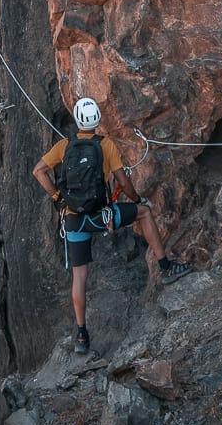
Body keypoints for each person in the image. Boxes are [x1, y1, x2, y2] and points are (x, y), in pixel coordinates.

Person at [32, 97, 191, 355]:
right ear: (97, 120)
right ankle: (166, 267)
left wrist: (57, 199)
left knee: (79, 275)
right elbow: (124, 184)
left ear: (76, 120)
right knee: (144, 214)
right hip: (101, 215)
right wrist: (137, 199)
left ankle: (82, 335)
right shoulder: (106, 146)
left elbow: (38, 171)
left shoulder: (63, 146)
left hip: (74, 219)